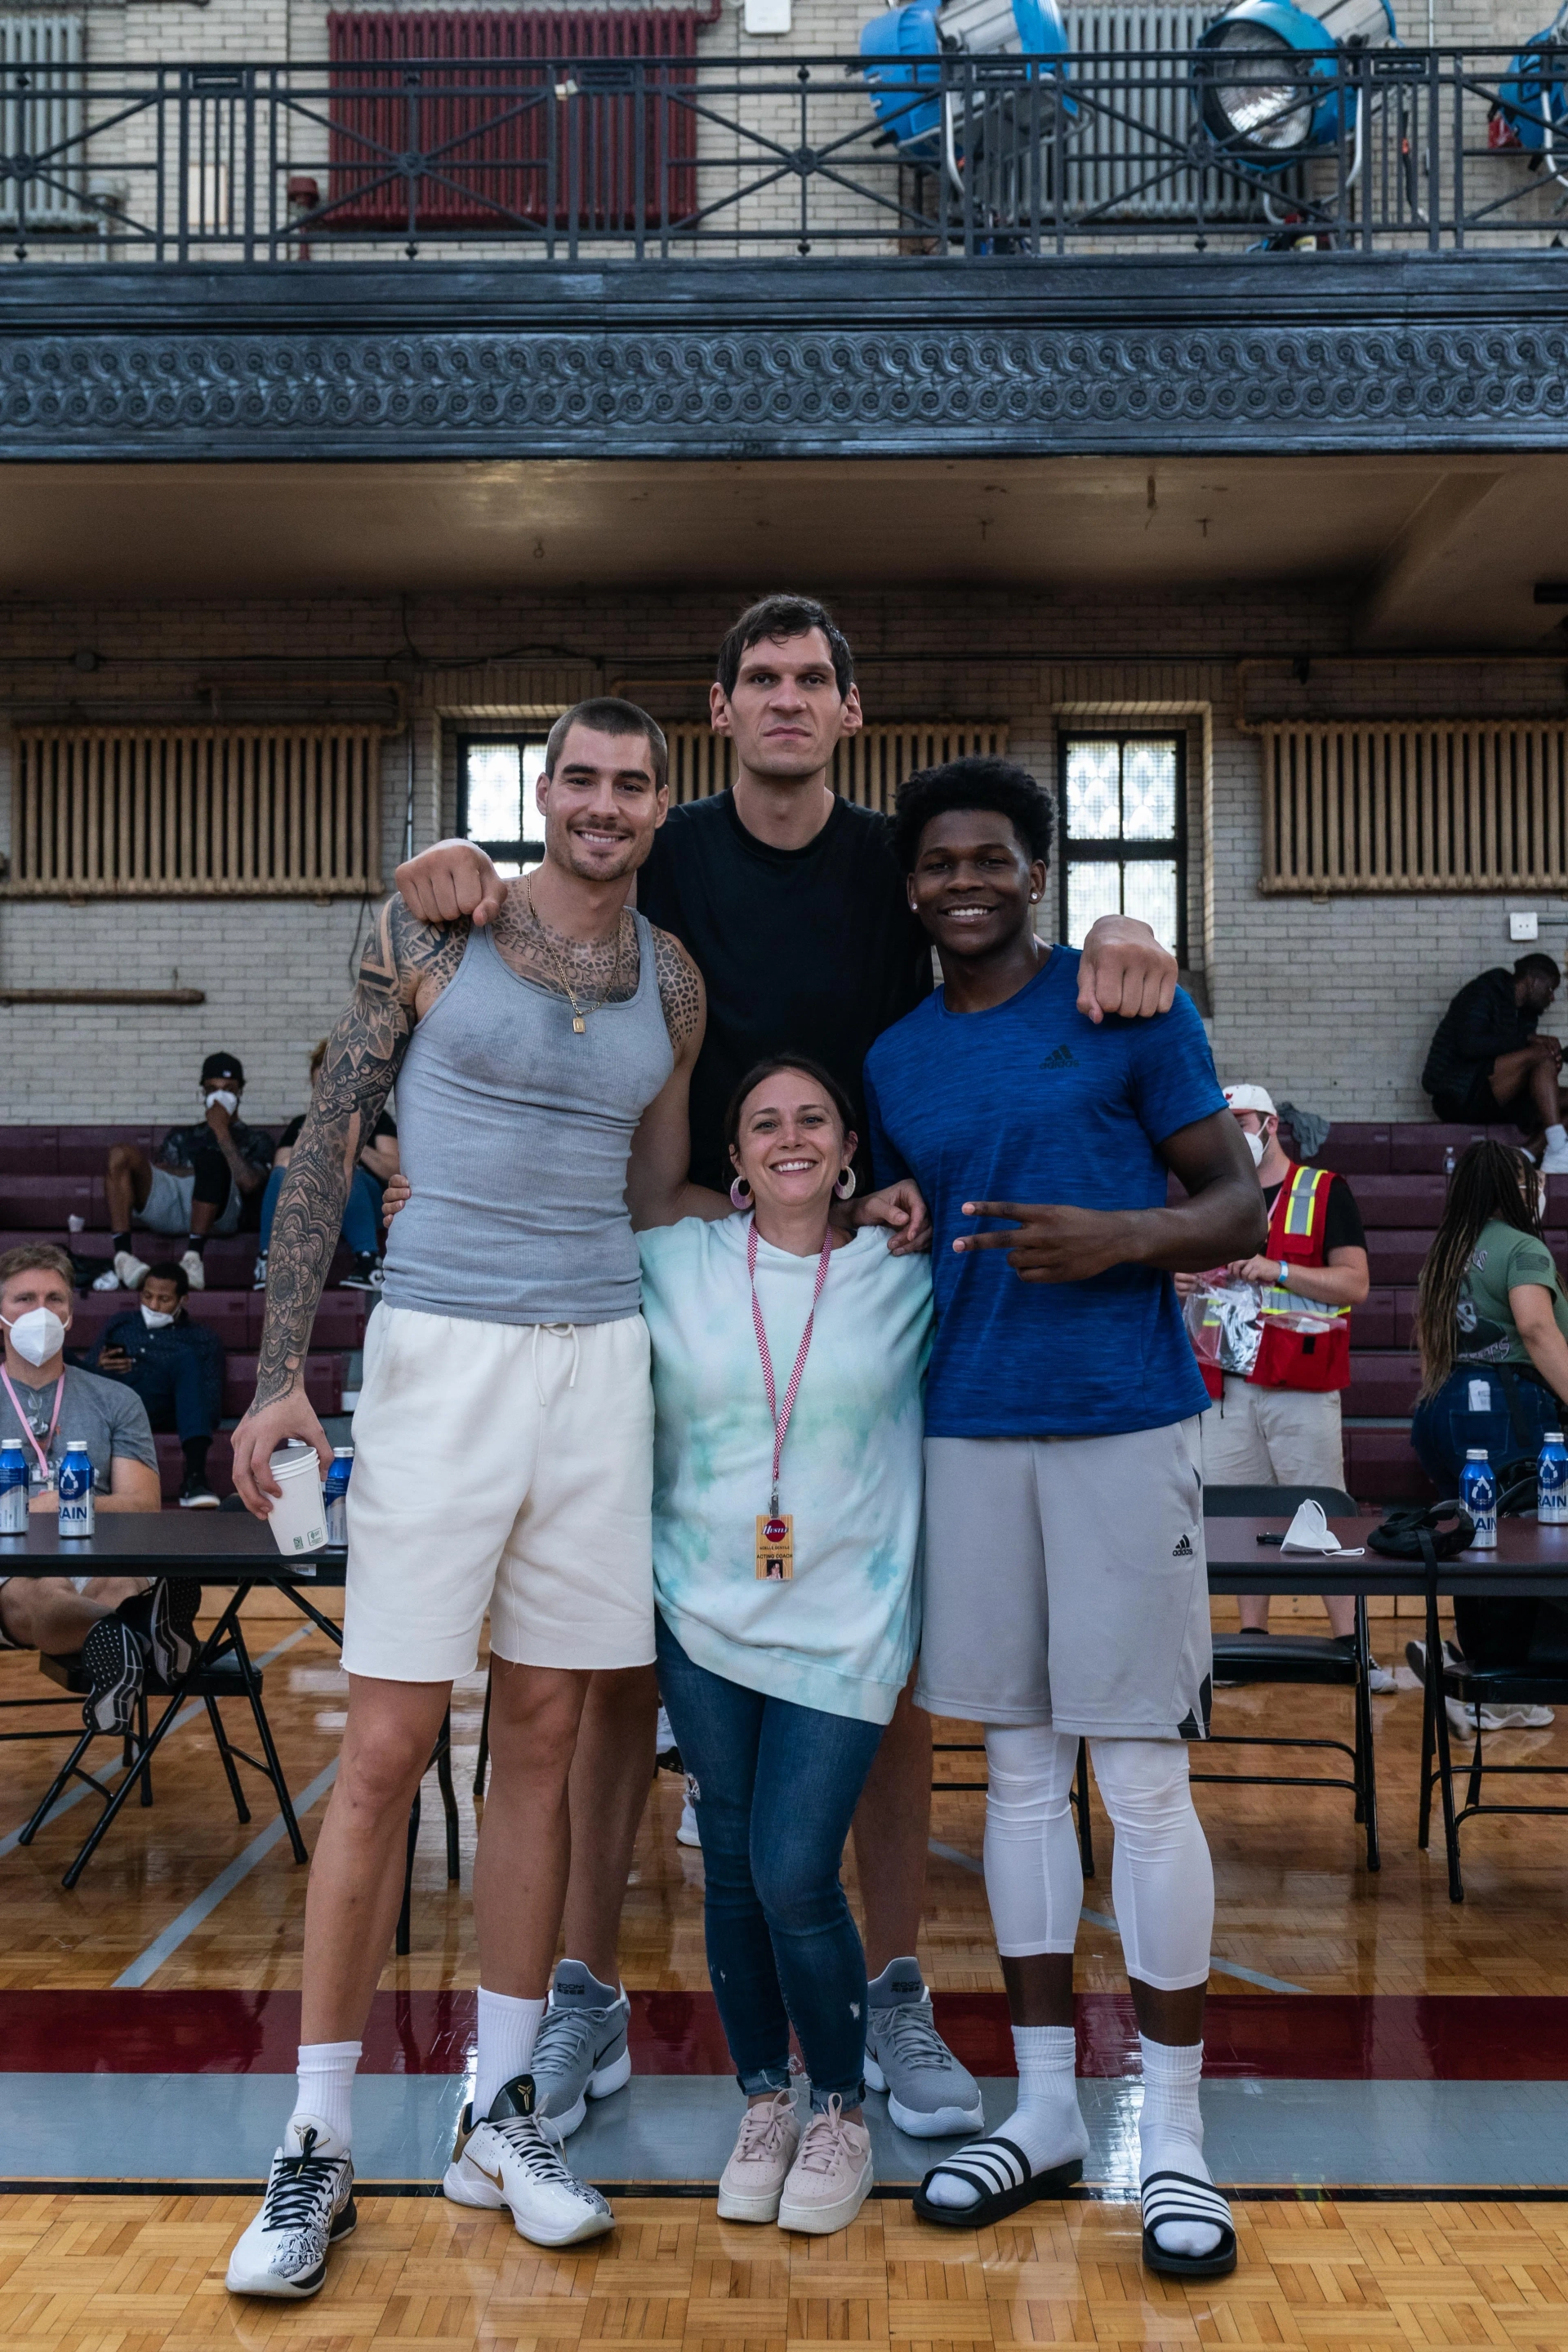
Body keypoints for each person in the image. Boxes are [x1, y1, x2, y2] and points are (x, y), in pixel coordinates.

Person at [393, 592, 1178, 2145]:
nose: (785, 701)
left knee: (873, 1665)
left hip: (868, 1266)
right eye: (760, 679)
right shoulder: (665, 841)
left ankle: (892, 1993)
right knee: (617, 1665)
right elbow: (541, 884)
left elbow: (998, 920)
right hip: (675, 1252)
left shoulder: (898, 858)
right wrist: (450, 866)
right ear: (720, 704)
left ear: (849, 709)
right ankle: (581, 1994)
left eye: (812, 679)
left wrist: (1119, 926)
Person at [222, 696, 922, 2300]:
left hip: (603, 1362)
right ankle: (316, 2144)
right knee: (392, 1745)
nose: (604, 805)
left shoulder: (671, 982)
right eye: (579, 781)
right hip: (442, 1356)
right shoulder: (433, 918)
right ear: (541, 795)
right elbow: (327, 1137)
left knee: (546, 1731)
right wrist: (278, 1368)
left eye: (630, 785)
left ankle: (502, 2110)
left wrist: (843, 1221)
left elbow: (663, 1190)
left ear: (661, 806)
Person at [862, 755, 1263, 2278]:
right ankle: (1037, 2110)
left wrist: (1127, 1239)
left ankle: (1177, 2139)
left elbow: (1233, 1203)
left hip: (1118, 1423)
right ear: (914, 889)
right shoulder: (898, 1056)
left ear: (1036, 874)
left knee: (1141, 1783)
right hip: (963, 1430)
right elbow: (913, 1214)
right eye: (939, 863)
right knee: (1019, 1780)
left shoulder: (1129, 1008)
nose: (964, 881)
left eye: (992, 859)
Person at [644, 1058, 933, 2233]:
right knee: (726, 1867)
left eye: (813, 1118)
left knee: (794, 1873)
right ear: (736, 1157)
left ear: (851, 1148)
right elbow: (553, 1245)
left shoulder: (905, 1273)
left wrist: (890, 1211)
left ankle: (839, 2107)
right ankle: (763, 2094)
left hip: (848, 1624)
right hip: (701, 1613)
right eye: (765, 1122)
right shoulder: (675, 1259)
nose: (790, 1136)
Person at [1178, 1082, 1388, 1686]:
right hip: (1225, 1383)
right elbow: (1183, 1274)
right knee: (1233, 1513)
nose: (1228, 1131)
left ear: (1270, 1124)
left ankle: (1352, 1643)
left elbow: (1354, 1285)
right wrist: (1179, 1280)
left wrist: (1281, 1270)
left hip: (1301, 1379)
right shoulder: (1210, 1199)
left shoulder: (1324, 1191)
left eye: (1238, 1119)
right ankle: (1249, 1638)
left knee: (1323, 1510)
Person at [1410, 1138, 1568, 1724]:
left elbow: (1431, 1342)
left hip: (1442, 1404)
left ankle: (1471, 1666)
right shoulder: (1524, 1249)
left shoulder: (1447, 1250)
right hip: (1506, 1406)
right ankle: (1501, 1686)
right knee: (1523, 1543)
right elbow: (1535, 1327)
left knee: (1476, 1536)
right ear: (1517, 1188)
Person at [0, 1245, 189, 1734]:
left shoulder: (116, 1399)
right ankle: (141, 1631)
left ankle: (120, 1642)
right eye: (24, 1299)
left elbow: (142, 1505)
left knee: (120, 1582)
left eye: (54, 1298)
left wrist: (56, 1504)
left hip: (101, 1553)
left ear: (70, 1313)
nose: (40, 1312)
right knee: (40, 1593)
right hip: (10, 1567)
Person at [94, 1052, 275, 1294]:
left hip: (221, 1215)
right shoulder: (181, 1136)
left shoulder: (257, 1140)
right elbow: (161, 1173)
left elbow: (248, 1183)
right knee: (119, 1154)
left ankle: (193, 1260)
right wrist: (193, 1173)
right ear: (203, 1092)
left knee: (211, 1160)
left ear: (240, 1092)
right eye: (212, 1089)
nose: (219, 1096)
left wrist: (221, 1131)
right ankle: (124, 1258)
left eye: (228, 1089)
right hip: (173, 1205)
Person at [254, 1040, 399, 1294]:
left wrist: (352, 1141)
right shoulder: (302, 1122)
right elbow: (282, 1169)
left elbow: (393, 1169)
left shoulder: (377, 1119)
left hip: (368, 1205)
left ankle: (369, 1263)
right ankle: (270, 1261)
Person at [90, 1259, 226, 1508]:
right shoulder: (121, 1322)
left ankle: (195, 1477)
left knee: (184, 1359)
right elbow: (85, 1373)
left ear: (182, 1300)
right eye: (147, 1296)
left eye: (163, 1300)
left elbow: (210, 1402)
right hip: (114, 1399)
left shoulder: (202, 1338)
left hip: (163, 1405)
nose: (153, 1306)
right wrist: (99, 1365)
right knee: (63, 1355)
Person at [1423, 953, 1568, 1169]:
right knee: (1540, 1053)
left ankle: (1527, 1155)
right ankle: (1558, 1146)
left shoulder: (1528, 1014)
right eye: (1549, 989)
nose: (1552, 998)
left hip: (1499, 1097)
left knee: (1546, 1063)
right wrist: (1530, 1043)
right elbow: (1470, 1044)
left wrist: (1553, 1063)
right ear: (1532, 982)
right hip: (1458, 1095)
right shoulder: (1483, 991)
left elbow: (1523, 1061)